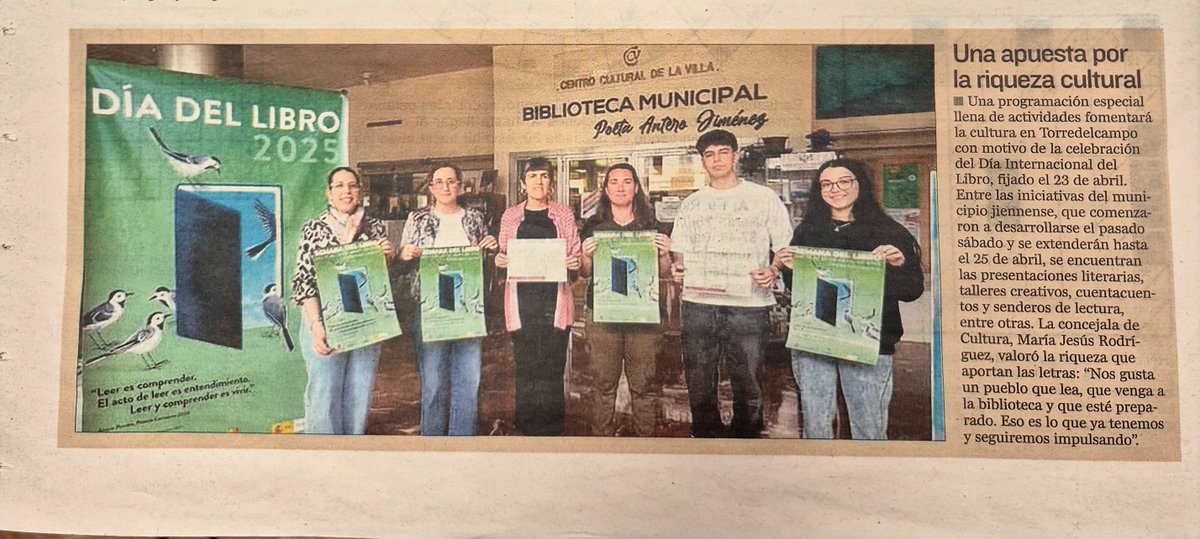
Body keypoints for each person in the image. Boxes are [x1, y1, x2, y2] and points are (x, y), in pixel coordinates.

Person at [776, 158, 924, 440]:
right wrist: (788, 268)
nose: (835, 189)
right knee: (816, 424)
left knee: (868, 425)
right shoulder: (808, 231)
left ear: (860, 185)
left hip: (869, 342)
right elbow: (800, 290)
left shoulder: (889, 232)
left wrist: (899, 264)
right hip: (815, 340)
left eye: (844, 181)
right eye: (827, 184)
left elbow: (911, 290)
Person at [669, 130, 793, 438]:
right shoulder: (692, 204)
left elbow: (785, 247)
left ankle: (746, 440)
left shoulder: (763, 197)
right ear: (702, 162)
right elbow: (679, 248)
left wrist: (774, 268)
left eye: (723, 152)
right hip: (699, 303)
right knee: (698, 377)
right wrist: (678, 267)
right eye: (709, 155)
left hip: (748, 303)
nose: (716, 159)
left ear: (735, 156)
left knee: (748, 378)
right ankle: (706, 439)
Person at [292, 166, 395, 435]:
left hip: (366, 319)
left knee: (360, 391)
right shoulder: (313, 229)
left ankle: (351, 452)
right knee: (324, 392)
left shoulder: (374, 227)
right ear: (329, 194)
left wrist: (386, 259)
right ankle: (321, 460)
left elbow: (380, 282)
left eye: (352, 185)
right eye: (339, 186)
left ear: (360, 192)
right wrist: (316, 326)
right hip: (325, 319)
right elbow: (304, 283)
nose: (346, 191)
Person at [398, 163, 498, 436]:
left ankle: (462, 441)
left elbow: (486, 260)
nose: (445, 187)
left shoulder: (475, 218)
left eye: (451, 181)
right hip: (430, 308)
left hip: (468, 307)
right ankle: (432, 442)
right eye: (439, 182)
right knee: (433, 381)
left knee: (469, 380)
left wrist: (491, 247)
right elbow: (402, 259)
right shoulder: (417, 218)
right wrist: (405, 253)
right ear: (431, 188)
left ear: (460, 186)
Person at [578, 164, 671, 437]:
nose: (620, 187)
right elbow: (584, 273)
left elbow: (664, 274)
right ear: (606, 190)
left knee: (643, 386)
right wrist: (586, 255)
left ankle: (645, 446)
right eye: (614, 182)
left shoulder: (651, 225)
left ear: (636, 187)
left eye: (627, 181)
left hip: (642, 315)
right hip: (603, 314)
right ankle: (603, 445)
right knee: (603, 385)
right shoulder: (593, 226)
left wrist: (664, 254)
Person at [494, 158, 581, 436]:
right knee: (526, 365)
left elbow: (575, 254)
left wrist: (574, 263)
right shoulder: (510, 216)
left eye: (544, 176)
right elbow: (502, 254)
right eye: (532, 176)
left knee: (552, 367)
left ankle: (552, 430)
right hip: (521, 303)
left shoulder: (564, 214)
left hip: (554, 303)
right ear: (523, 183)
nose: (539, 181)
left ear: (551, 182)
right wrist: (500, 261)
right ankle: (526, 428)